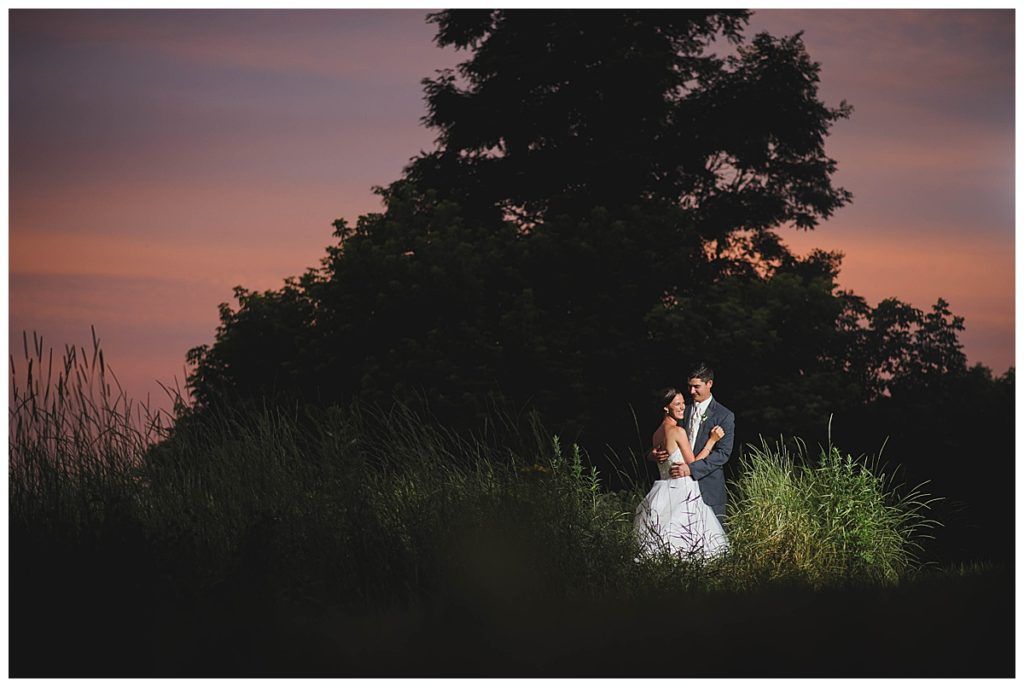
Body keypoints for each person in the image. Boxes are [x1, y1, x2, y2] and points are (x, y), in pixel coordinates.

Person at [634, 387, 729, 558]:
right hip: (683, 489)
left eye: (683, 403)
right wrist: (712, 441)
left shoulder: (657, 434)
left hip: (663, 489)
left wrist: (650, 455)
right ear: (666, 407)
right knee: (689, 540)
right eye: (677, 404)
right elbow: (693, 464)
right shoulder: (678, 431)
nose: (683, 407)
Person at [651, 363, 735, 529]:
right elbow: (666, 436)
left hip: (707, 486)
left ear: (709, 384)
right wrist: (653, 454)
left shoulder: (724, 415)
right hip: (676, 487)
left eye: (696, 387)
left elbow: (723, 454)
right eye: (689, 386)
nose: (691, 391)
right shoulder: (682, 408)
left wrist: (692, 469)